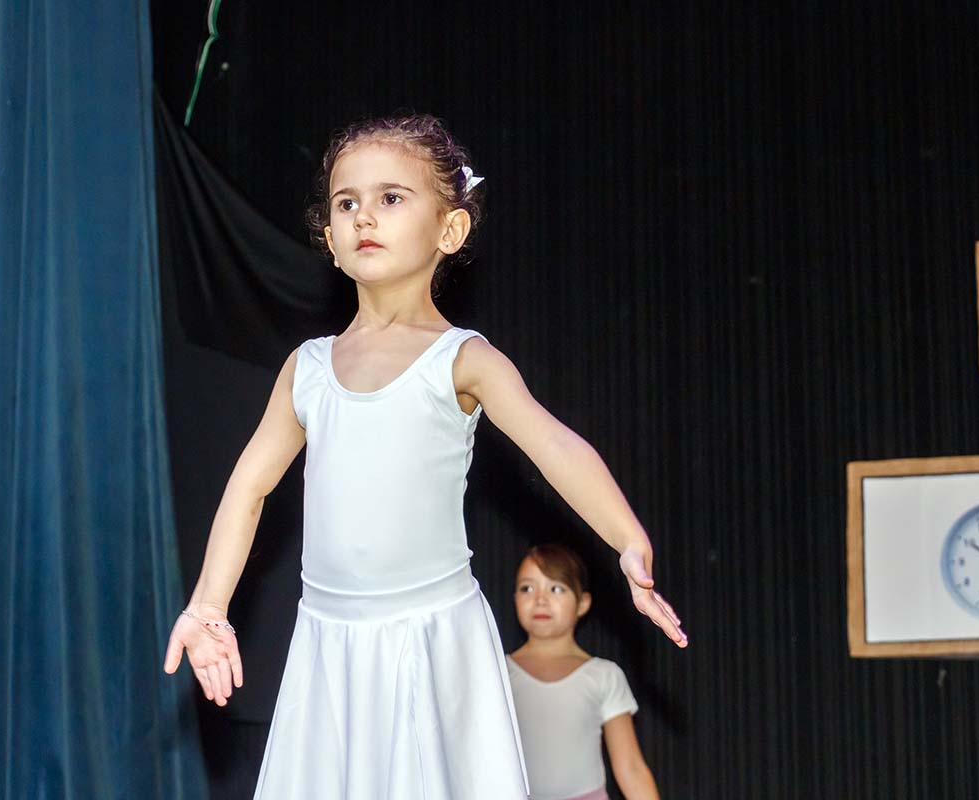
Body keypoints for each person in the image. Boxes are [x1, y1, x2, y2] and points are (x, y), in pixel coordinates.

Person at [162, 113, 687, 799]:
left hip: (433, 636)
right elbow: (249, 487)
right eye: (346, 203)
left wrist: (627, 539)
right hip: (330, 640)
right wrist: (209, 605)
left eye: (390, 198)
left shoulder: (462, 359)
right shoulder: (308, 368)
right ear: (330, 240)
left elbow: (554, 445)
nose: (363, 216)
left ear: (450, 230)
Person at [508, 544, 660, 800]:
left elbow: (631, 768)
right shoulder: (496, 673)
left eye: (556, 589)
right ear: (515, 598)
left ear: (583, 603)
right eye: (527, 588)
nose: (540, 599)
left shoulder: (604, 675)